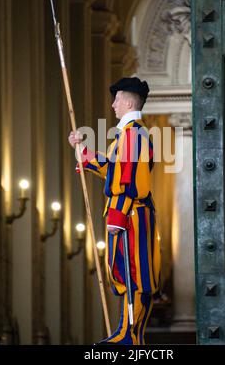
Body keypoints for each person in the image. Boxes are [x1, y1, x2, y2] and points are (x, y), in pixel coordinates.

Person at [68, 77, 161, 345]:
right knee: (126, 273)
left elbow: (127, 179)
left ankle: (129, 336)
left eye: (117, 99)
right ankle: (126, 333)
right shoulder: (127, 135)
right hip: (129, 213)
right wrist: (83, 152)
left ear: (129, 102)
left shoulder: (133, 135)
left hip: (130, 214)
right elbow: (113, 169)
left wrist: (117, 215)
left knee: (136, 274)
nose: (113, 105)